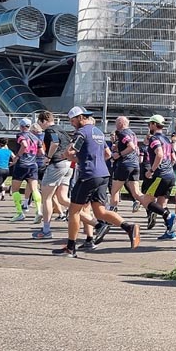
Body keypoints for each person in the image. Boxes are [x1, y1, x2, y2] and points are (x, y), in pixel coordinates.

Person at [54, 107, 140, 257]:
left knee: (74, 211)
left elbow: (71, 150)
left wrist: (69, 156)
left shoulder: (81, 133)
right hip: (103, 175)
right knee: (100, 211)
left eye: (72, 120)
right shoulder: (98, 132)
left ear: (80, 118)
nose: (71, 123)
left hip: (88, 175)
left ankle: (70, 248)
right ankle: (129, 227)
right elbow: (107, 154)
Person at [33, 110, 73, 241]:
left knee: (47, 198)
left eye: (40, 123)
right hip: (68, 164)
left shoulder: (50, 131)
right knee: (62, 198)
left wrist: (48, 157)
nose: (40, 126)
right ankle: (86, 215)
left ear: (44, 121)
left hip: (56, 164)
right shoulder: (63, 130)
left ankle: (46, 230)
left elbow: (55, 143)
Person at [138, 114, 176, 236]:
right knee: (161, 204)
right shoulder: (166, 139)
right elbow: (174, 158)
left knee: (146, 201)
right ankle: (170, 231)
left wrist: (152, 170)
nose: (148, 126)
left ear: (154, 124)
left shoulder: (154, 139)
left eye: (149, 124)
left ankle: (169, 216)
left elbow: (159, 154)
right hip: (170, 174)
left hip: (161, 175)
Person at [108, 116, 143, 212]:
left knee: (114, 190)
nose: (115, 125)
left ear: (122, 123)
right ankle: (151, 207)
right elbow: (134, 148)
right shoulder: (132, 134)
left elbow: (131, 147)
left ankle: (112, 211)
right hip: (135, 164)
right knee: (136, 192)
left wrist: (119, 154)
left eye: (116, 123)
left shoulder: (123, 133)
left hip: (125, 163)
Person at [10, 119, 41, 221]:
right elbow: (41, 152)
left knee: (15, 190)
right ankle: (39, 211)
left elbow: (24, 145)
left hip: (22, 165)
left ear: (21, 126)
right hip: (33, 165)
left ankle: (19, 213)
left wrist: (17, 156)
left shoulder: (20, 135)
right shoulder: (35, 137)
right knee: (34, 189)